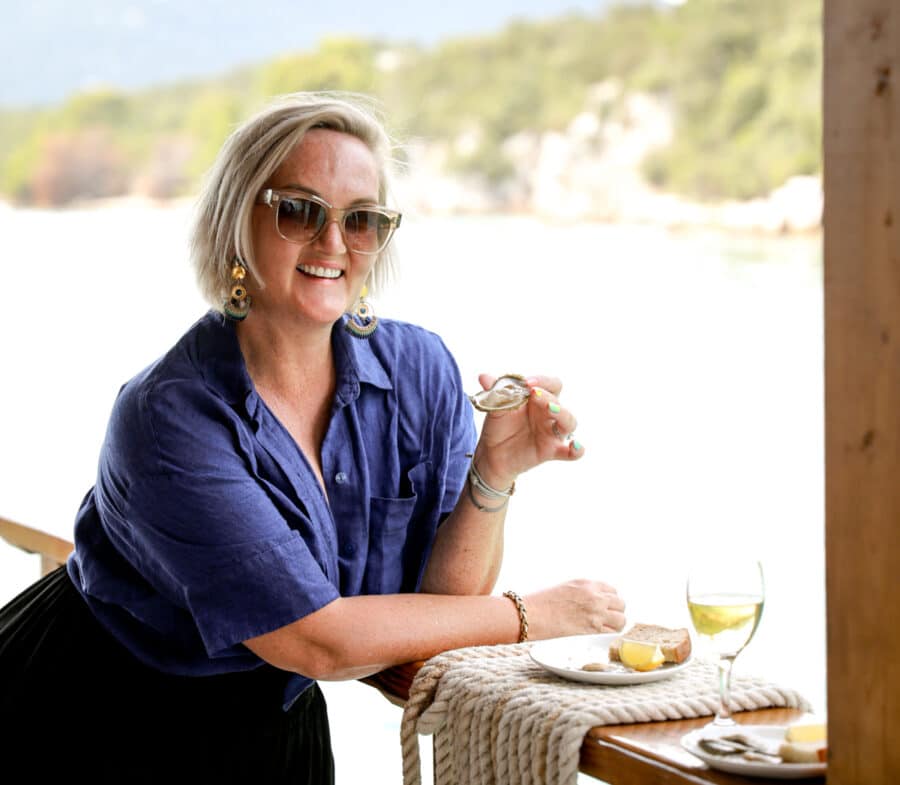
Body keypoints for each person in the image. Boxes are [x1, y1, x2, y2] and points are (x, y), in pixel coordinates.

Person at [0, 91, 626, 783]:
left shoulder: (420, 370)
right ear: (239, 222)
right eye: (300, 211)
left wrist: (494, 472)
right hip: (93, 715)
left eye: (361, 220)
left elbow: (445, 603)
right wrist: (535, 615)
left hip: (274, 720)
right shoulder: (168, 416)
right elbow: (316, 641)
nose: (333, 243)